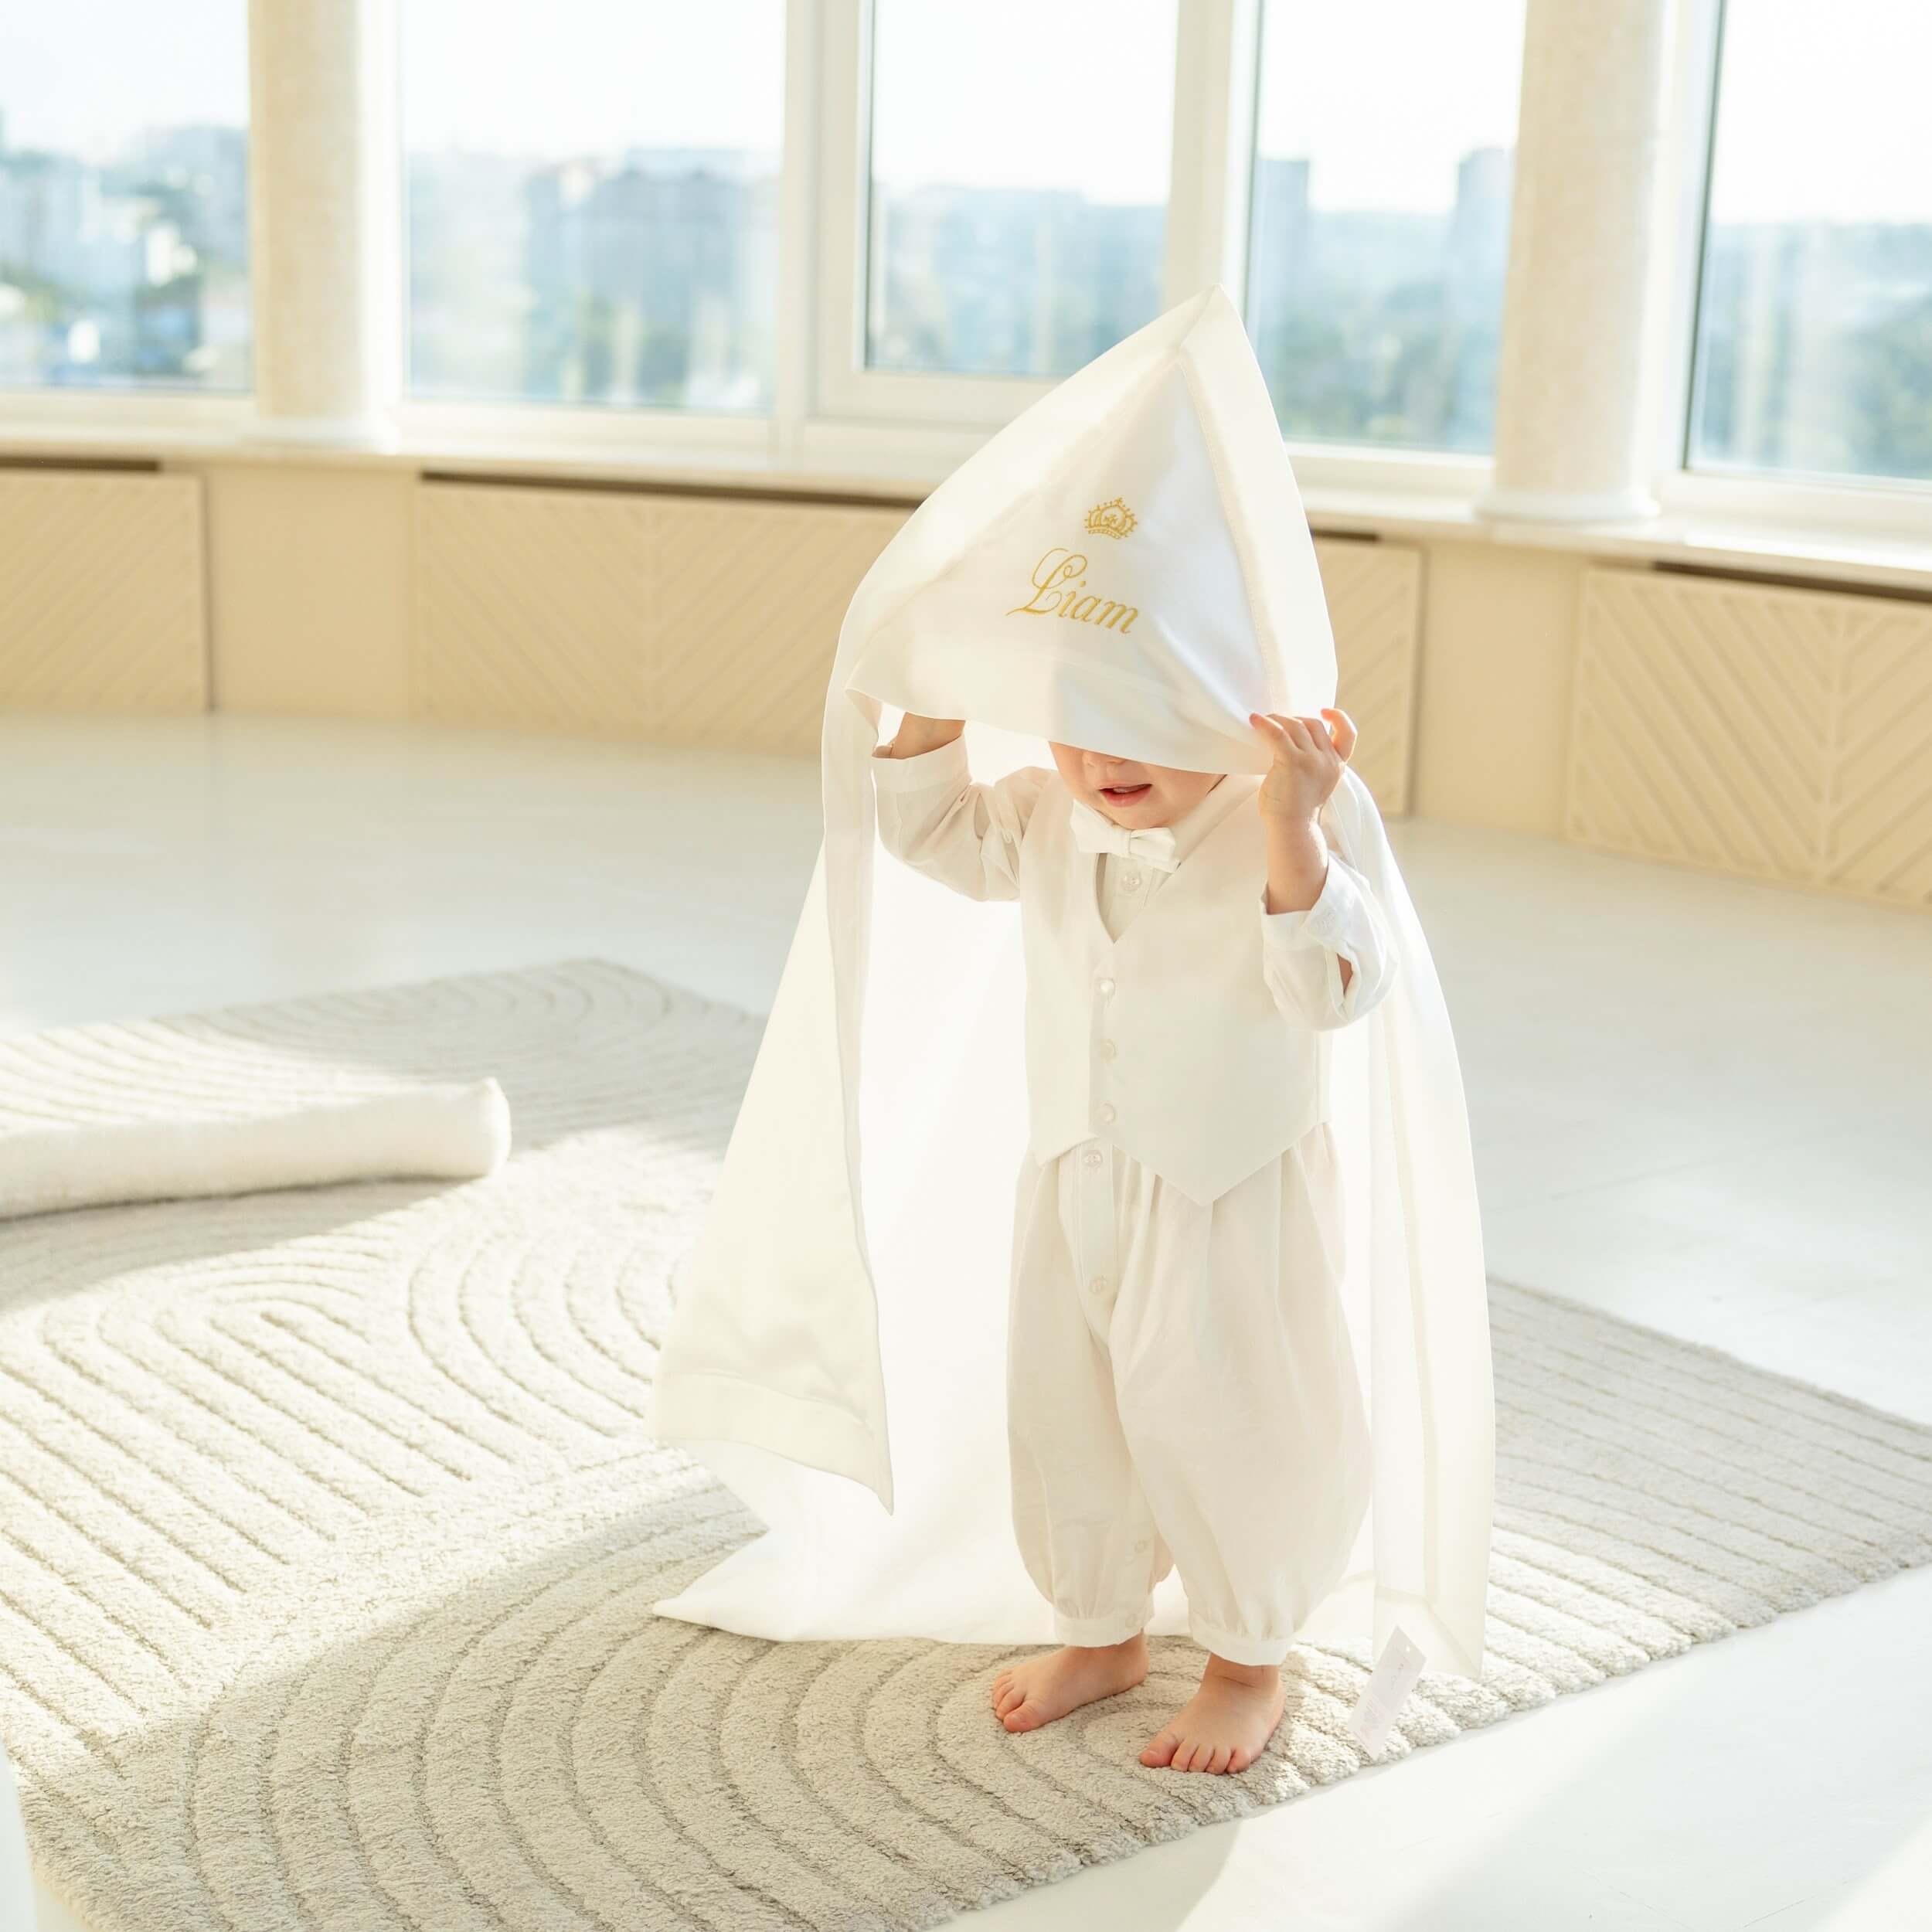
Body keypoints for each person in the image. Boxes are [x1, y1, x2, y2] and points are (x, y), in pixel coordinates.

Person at [868, 702, 1395, 1773]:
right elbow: (932, 834)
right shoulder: (1047, 816)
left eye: (1141, 724)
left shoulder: (1283, 823)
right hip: (1080, 1176)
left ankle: (1247, 1663)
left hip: (1225, 1198)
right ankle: (1100, 1631)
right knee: (1071, 1411)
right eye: (1075, 726)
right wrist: (935, 705)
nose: (1103, 759)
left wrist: (1293, 825)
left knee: (1226, 1419)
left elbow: (1330, 989)